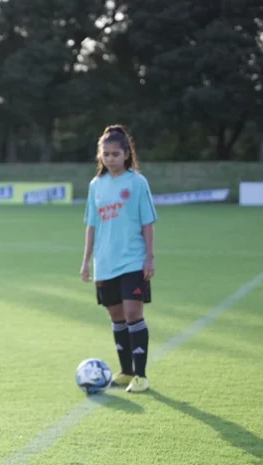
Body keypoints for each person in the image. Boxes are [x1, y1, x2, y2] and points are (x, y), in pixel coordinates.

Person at [80, 124, 158, 393]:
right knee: (116, 316)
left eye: (115, 154)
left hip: (133, 260)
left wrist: (150, 257)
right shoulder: (96, 186)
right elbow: (91, 225)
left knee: (133, 312)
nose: (110, 158)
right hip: (105, 262)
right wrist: (86, 260)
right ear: (100, 156)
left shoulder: (137, 183)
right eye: (106, 154)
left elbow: (148, 223)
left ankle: (142, 376)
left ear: (126, 154)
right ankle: (125, 372)